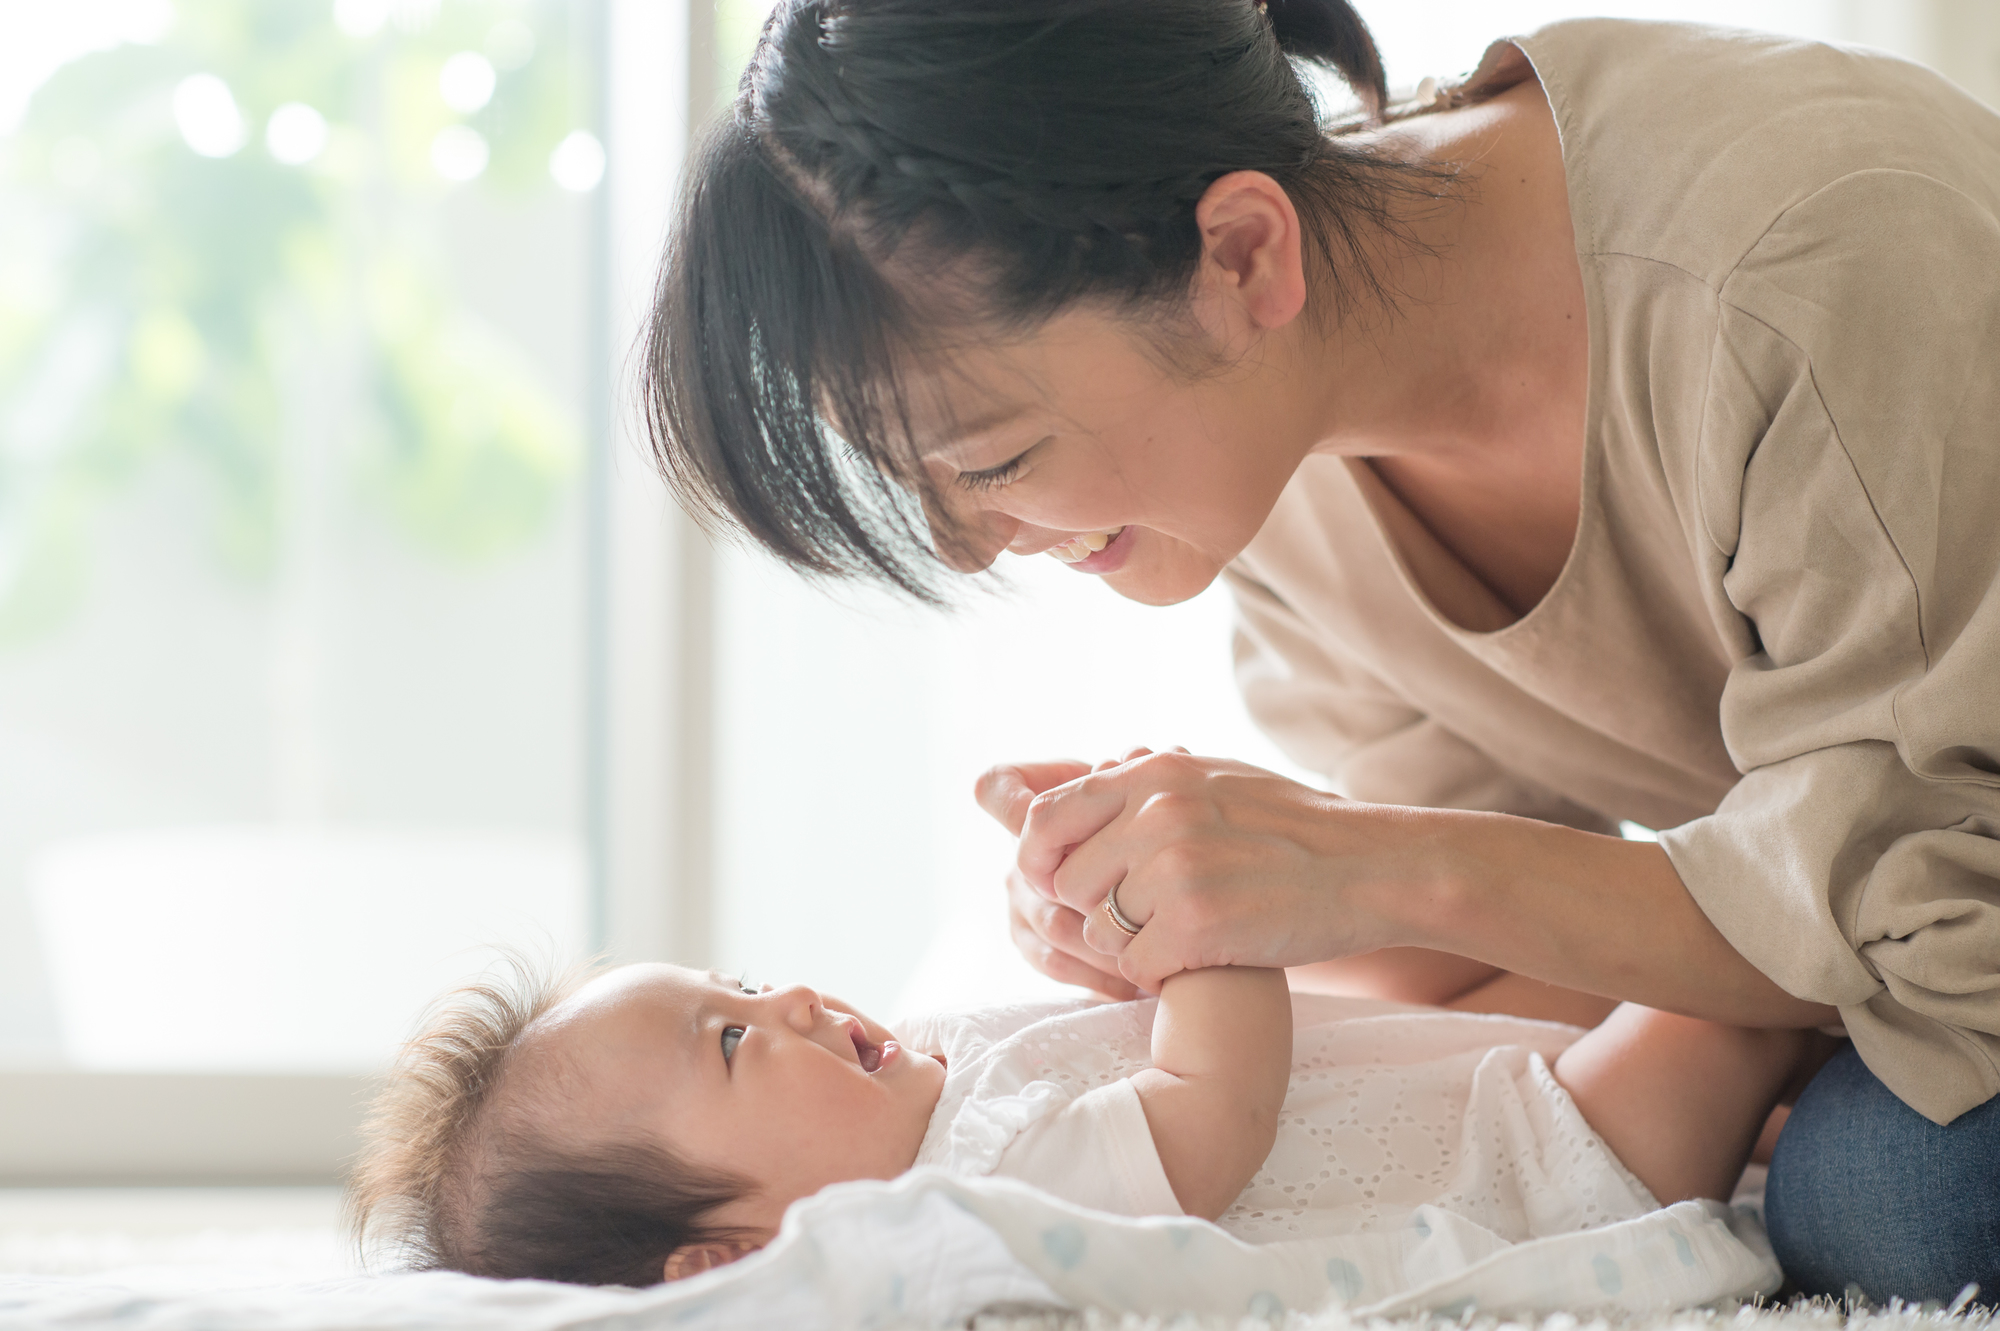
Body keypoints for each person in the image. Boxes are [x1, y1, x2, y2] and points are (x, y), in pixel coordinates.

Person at [643, 0, 2000, 1300]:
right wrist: (1179, 935)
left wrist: (1358, 862)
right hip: (1907, 901)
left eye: (992, 461)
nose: (970, 548)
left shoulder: (1797, 269)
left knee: (1890, 1191)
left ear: (1241, 255)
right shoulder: (1278, 494)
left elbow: (1948, 925)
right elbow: (1485, 968)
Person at [344, 942, 1807, 1287]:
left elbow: (1115, 1034)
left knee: (1451, 953)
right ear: (731, 1262)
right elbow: (1210, 1105)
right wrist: (1202, 928)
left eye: (739, 979)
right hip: (1546, 1155)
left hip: (1449, 1066)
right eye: (730, 1039)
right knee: (1740, 982)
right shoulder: (978, 1221)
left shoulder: (933, 1090)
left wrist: (1103, 942)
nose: (784, 999)